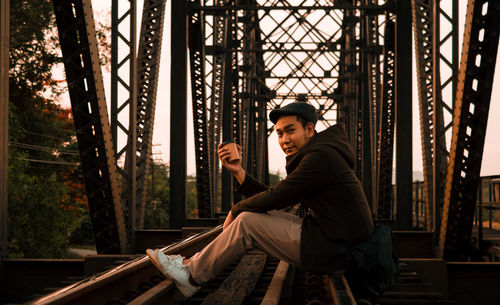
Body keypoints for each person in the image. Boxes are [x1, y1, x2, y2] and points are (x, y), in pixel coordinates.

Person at [147, 102, 375, 298]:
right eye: (279, 133)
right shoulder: (322, 151)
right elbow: (276, 193)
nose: (284, 139)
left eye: (290, 131)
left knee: (248, 221)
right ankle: (190, 263)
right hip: (337, 240)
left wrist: (236, 210)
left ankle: (192, 277)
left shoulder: (321, 157)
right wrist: (238, 172)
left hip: (343, 251)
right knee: (254, 214)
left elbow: (276, 197)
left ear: (309, 129)